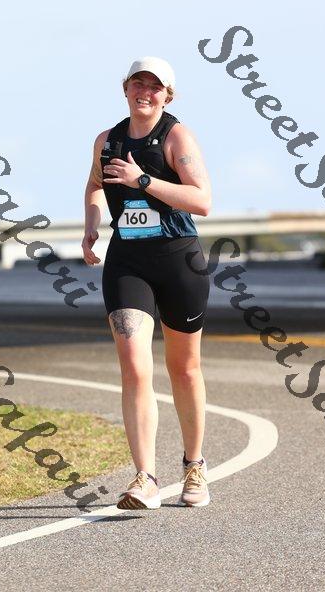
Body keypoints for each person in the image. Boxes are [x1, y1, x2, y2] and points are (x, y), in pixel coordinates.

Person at [82, 56, 212, 509]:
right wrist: (91, 225)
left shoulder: (177, 137)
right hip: (128, 263)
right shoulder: (108, 140)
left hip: (179, 261)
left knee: (184, 368)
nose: (145, 91)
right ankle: (145, 478)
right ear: (125, 88)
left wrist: (143, 180)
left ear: (167, 96)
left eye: (155, 86)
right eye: (138, 83)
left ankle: (194, 465)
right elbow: (95, 184)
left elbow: (202, 200)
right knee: (134, 366)